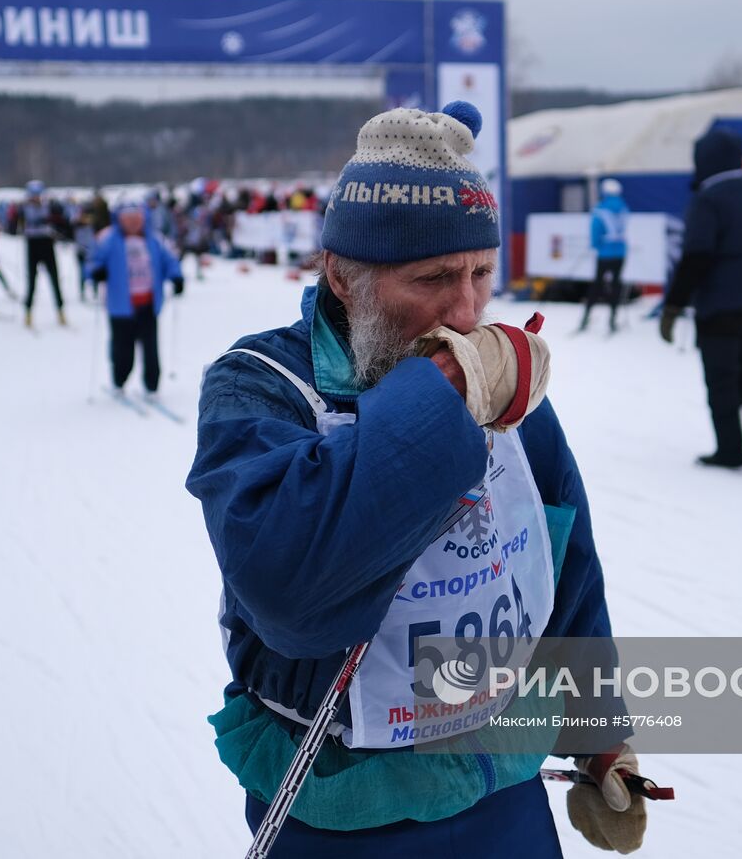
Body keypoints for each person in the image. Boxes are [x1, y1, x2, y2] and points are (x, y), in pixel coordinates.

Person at [186, 102, 644, 857]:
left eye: (480, 275)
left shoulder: (500, 377)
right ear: (342, 273)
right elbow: (293, 595)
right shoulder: (261, 385)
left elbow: (559, 558)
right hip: (345, 804)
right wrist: (443, 397)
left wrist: (598, 731)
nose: (465, 313)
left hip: (501, 781)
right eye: (433, 278)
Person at [659, 128, 742, 468]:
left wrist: (674, 304)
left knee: (721, 377)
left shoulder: (709, 198)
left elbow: (697, 256)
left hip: (720, 304)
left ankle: (730, 450)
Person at [85, 202, 184, 396]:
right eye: (127, 219)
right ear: (120, 220)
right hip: (121, 306)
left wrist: (176, 276)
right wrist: (96, 272)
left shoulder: (153, 240)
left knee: (150, 349)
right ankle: (119, 381)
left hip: (148, 304)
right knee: (123, 349)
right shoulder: (109, 240)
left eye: (136, 218)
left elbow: (169, 260)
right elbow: (92, 260)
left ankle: (152, 385)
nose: (132, 223)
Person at [11, 180, 68, 328]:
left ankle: (61, 312)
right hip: (32, 245)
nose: (35, 198)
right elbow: (12, 226)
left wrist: (57, 218)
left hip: (47, 244)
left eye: (38, 195)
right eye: (33, 195)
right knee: (32, 282)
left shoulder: (49, 206)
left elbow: (63, 222)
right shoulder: (23, 208)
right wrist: (15, 215)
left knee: (55, 279)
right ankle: (28, 313)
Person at [578, 178, 630, 334]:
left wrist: (595, 244)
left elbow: (595, 229)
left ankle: (586, 317)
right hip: (620, 253)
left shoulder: (600, 208)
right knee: (616, 284)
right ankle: (612, 319)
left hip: (604, 253)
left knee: (598, 283)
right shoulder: (623, 207)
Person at [73, 191, 110, 301]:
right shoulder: (77, 224)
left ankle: (95, 291)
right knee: (82, 273)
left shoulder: (95, 224)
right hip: (81, 251)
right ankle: (82, 292)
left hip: (92, 251)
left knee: (94, 271)